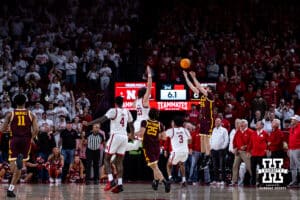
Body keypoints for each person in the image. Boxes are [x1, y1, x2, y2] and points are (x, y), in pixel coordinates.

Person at [85, 96, 134, 193]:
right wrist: (132, 134)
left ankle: (111, 180)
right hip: (124, 137)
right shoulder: (127, 111)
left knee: (106, 159)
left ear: (115, 103)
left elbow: (102, 120)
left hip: (115, 136)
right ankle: (120, 184)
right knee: (119, 162)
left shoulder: (113, 110)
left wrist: (89, 123)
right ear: (122, 103)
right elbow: (131, 125)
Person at [1, 94, 39, 197]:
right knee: (19, 167)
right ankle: (10, 189)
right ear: (25, 102)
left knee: (14, 169)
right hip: (26, 140)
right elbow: (36, 129)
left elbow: (2, 130)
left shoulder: (10, 114)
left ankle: (11, 188)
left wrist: (8, 128)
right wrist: (31, 138)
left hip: (14, 139)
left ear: (15, 102)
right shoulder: (31, 114)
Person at [138, 108, 170, 192]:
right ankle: (155, 182)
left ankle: (165, 182)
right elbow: (164, 137)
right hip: (156, 148)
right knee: (155, 166)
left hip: (148, 147)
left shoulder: (145, 122)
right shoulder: (160, 124)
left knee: (154, 167)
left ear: (149, 114)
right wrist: (155, 136)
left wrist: (134, 134)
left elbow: (141, 134)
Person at [183, 71, 214, 157]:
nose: (205, 88)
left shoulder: (210, 96)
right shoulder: (202, 96)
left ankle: (208, 157)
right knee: (202, 138)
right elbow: (192, 87)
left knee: (207, 138)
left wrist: (194, 77)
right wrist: (186, 77)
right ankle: (204, 155)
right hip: (202, 120)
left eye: (207, 88)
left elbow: (200, 87)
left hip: (208, 119)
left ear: (210, 90)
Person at [163, 116, 191, 188]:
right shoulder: (185, 130)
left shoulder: (171, 130)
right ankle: (184, 180)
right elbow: (190, 141)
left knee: (168, 165)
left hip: (176, 152)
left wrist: (162, 129)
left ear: (174, 123)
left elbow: (162, 137)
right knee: (182, 164)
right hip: (185, 152)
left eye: (172, 122)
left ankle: (170, 178)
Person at [231, 119, 254, 186]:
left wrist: (246, 148)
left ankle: (255, 180)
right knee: (235, 166)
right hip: (238, 152)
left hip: (246, 152)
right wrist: (235, 148)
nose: (241, 124)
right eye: (241, 123)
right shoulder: (238, 132)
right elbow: (234, 141)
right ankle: (234, 181)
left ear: (246, 124)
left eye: (243, 123)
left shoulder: (250, 132)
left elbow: (252, 143)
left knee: (249, 166)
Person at [247, 121, 268, 186]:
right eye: (256, 124)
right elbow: (250, 143)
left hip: (262, 154)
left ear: (262, 126)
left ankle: (262, 182)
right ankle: (253, 181)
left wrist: (267, 149)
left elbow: (268, 142)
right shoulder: (253, 133)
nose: (256, 125)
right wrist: (248, 151)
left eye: (258, 124)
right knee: (252, 168)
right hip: (254, 154)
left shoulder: (265, 133)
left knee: (262, 168)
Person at [132, 66, 152, 134]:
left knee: (138, 142)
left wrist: (137, 97)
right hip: (144, 123)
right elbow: (149, 86)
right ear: (144, 93)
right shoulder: (144, 100)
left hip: (137, 122)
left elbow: (132, 106)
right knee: (147, 142)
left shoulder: (137, 100)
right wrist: (149, 74)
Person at [210, 118, 229, 185]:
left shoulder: (224, 130)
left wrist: (223, 147)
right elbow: (211, 139)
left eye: (218, 121)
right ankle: (216, 179)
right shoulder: (214, 130)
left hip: (221, 150)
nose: (216, 122)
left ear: (221, 122)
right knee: (215, 166)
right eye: (216, 121)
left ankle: (223, 180)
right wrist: (211, 147)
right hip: (214, 150)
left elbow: (226, 140)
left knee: (222, 166)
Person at [287, 115, 300, 187]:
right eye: (291, 119)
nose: (291, 120)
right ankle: (294, 181)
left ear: (297, 121)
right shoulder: (291, 128)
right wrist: (289, 148)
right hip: (292, 149)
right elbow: (290, 139)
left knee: (299, 165)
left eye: (293, 119)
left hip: (298, 149)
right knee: (292, 166)